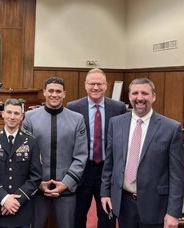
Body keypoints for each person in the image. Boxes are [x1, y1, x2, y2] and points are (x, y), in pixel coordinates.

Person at [101, 78, 184, 228]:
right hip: (123, 203)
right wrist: (105, 193)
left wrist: (173, 212)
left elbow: (177, 176)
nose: (139, 98)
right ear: (129, 97)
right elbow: (110, 163)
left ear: (153, 96)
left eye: (144, 93)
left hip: (155, 207)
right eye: (135, 93)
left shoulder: (171, 128)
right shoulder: (116, 123)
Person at [23, 76, 88, 228]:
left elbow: (81, 156)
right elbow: (25, 154)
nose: (54, 94)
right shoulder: (30, 118)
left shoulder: (77, 119)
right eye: (50, 91)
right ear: (44, 92)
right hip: (38, 187)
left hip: (66, 188)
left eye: (58, 91)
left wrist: (66, 183)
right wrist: (38, 182)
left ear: (64, 94)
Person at [67, 68, 126, 228]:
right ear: (85, 85)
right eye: (92, 84)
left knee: (107, 216)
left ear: (106, 85)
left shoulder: (118, 108)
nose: (95, 88)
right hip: (82, 170)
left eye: (99, 84)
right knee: (77, 216)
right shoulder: (73, 107)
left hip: (107, 171)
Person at [0, 98, 42, 228]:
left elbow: (35, 176)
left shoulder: (31, 141)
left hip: (21, 209)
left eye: (16, 113)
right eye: (9, 112)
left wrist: (15, 202)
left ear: (22, 117)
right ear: (3, 114)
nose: (12, 117)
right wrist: (4, 199)